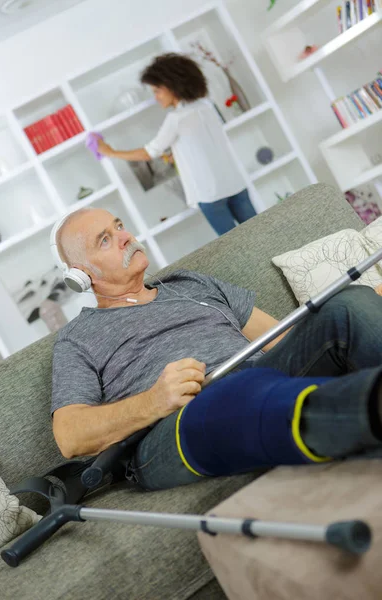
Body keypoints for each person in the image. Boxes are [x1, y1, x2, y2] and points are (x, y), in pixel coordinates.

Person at [51, 207, 382, 491]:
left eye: (119, 226)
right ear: (81, 275)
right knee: (238, 389)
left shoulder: (192, 283)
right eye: (105, 239)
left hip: (257, 379)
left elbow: (288, 339)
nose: (125, 237)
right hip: (173, 429)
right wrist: (153, 401)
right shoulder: (79, 336)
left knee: (348, 304)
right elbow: (69, 436)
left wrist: (362, 315)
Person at [94, 53, 256, 236]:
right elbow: (201, 143)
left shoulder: (176, 119)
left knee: (234, 243)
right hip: (234, 183)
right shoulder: (206, 107)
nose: (156, 97)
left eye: (157, 91)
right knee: (258, 234)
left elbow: (149, 152)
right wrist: (177, 154)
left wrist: (110, 151)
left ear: (172, 87)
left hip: (209, 194)